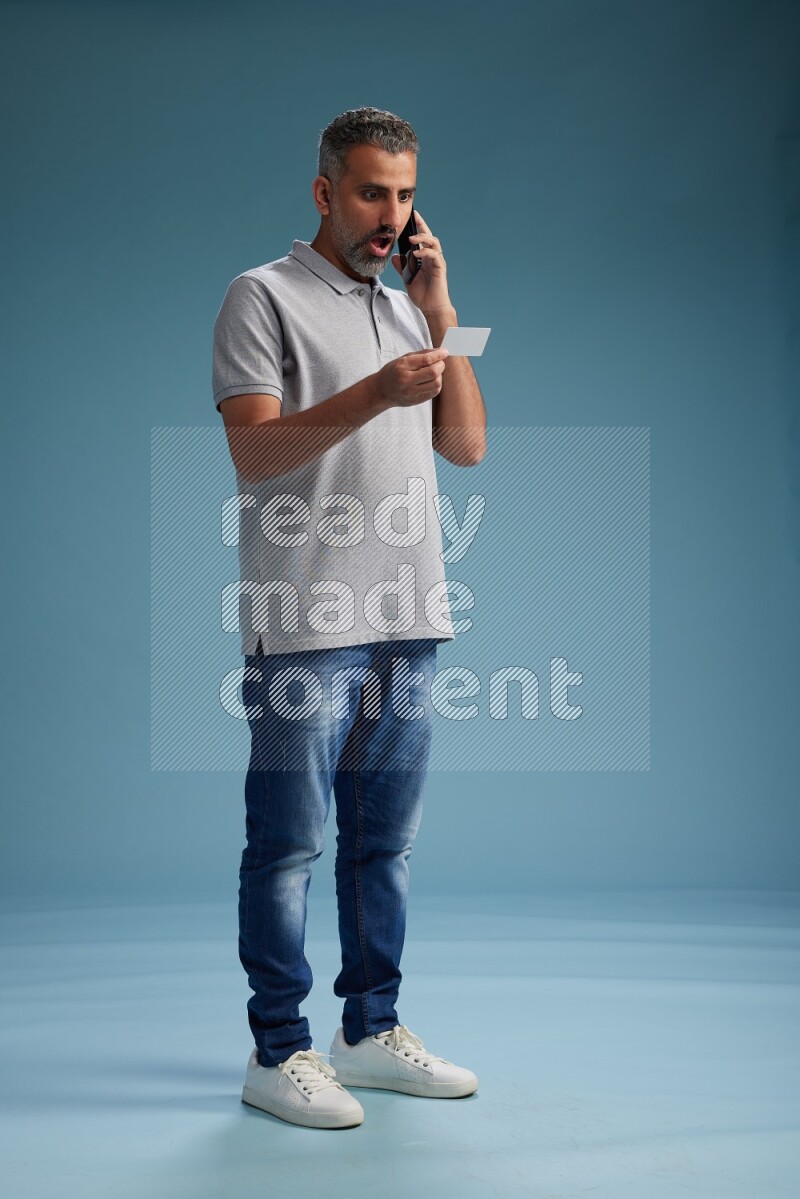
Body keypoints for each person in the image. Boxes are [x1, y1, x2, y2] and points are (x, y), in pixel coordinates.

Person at [212, 107, 486, 1129]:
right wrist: (375, 390)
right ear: (325, 192)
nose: (391, 215)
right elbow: (256, 453)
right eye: (372, 192)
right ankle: (276, 1048)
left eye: (406, 195)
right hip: (305, 615)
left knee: (385, 843)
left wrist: (442, 312)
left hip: (408, 610)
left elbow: (464, 447)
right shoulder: (260, 296)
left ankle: (368, 1031)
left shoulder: (414, 307)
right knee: (287, 844)